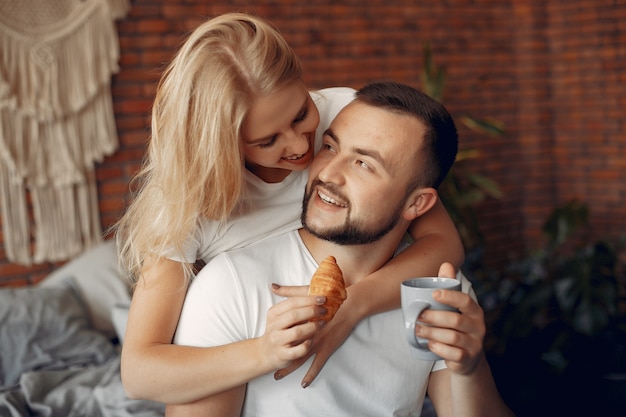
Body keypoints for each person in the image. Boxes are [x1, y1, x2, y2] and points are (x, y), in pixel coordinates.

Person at [115, 13, 464, 404]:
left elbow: (444, 244)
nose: (300, 146)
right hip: (237, 340)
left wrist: (355, 305)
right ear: (221, 144)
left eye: (301, 115)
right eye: (267, 141)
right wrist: (265, 351)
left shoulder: (343, 116)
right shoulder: (186, 206)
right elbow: (140, 373)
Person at [167, 81, 514, 417]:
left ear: (417, 203)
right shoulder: (232, 284)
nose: (328, 174)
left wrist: (470, 368)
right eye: (330, 147)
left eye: (363, 164)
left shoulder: (436, 293)